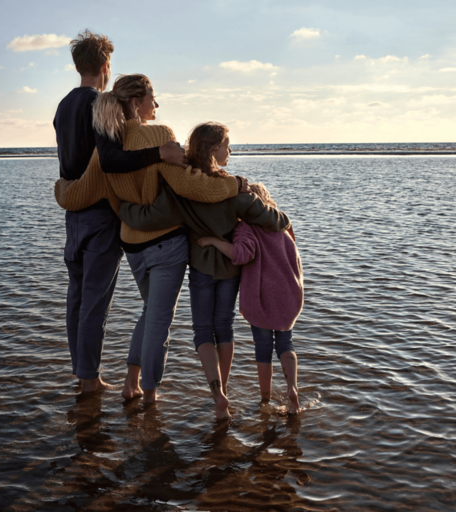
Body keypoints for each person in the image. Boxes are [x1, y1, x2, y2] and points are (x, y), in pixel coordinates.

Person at [55, 75, 249, 405]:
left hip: (132, 247)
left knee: (150, 312)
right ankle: (150, 396)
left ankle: (131, 382)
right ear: (135, 103)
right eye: (152, 99)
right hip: (166, 245)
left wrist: (60, 189)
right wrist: (237, 185)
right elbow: (194, 187)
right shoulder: (158, 136)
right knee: (159, 322)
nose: (155, 106)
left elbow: (80, 194)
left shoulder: (107, 149)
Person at [119, 123, 291, 419]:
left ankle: (217, 393)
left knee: (202, 332)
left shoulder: (182, 188)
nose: (230, 150)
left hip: (200, 267)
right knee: (224, 327)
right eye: (227, 145)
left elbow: (152, 217)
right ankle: (223, 390)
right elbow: (270, 218)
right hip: (230, 269)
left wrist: (123, 208)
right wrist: (285, 220)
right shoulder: (234, 189)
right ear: (214, 149)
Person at [53, 31, 187, 394]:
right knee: (94, 301)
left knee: (77, 298)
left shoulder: (63, 106)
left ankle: (83, 374)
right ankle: (89, 380)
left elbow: (71, 163)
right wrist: (159, 154)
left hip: (74, 215)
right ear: (105, 65)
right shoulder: (100, 103)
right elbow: (111, 160)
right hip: (99, 215)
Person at [198, 182, 304, 414]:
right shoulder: (282, 227)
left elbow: (241, 254)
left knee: (263, 349)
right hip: (286, 296)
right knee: (286, 344)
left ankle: (265, 400)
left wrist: (214, 241)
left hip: (262, 299)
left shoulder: (247, 227)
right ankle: (292, 389)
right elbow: (296, 260)